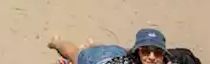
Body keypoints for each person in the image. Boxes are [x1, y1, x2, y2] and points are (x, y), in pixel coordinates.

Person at [49, 28, 185, 64]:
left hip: (119, 51)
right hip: (99, 60)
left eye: (157, 52)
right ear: (139, 52)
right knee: (76, 53)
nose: (151, 57)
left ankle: (94, 44)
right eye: (146, 51)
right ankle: (57, 42)